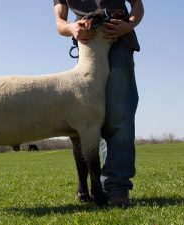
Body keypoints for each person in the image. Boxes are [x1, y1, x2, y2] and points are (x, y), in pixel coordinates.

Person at [53, 0, 144, 207]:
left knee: (119, 114)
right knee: (91, 120)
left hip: (118, 41)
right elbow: (59, 22)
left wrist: (129, 25)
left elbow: (138, 5)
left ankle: (117, 187)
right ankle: (92, 186)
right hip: (89, 47)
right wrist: (71, 28)